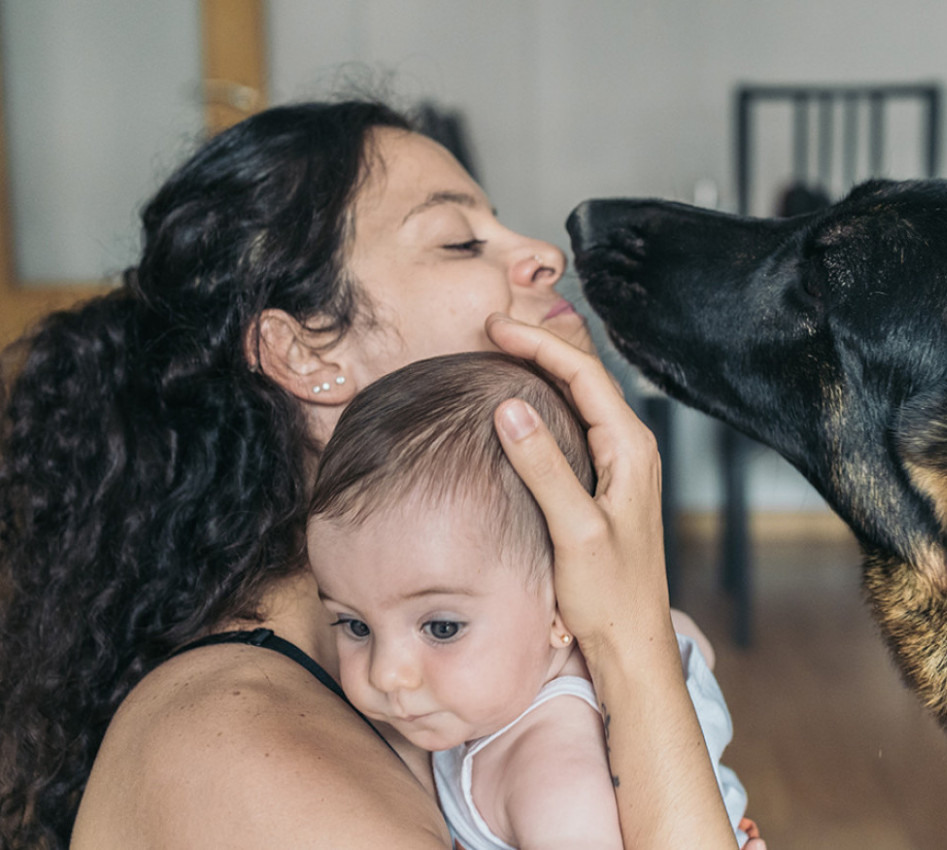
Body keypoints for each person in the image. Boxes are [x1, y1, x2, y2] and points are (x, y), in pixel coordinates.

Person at [0, 99, 759, 850]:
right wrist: (629, 638)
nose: (544, 254)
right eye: (460, 241)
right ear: (305, 355)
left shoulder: (445, 694)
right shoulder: (235, 750)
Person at [306, 352, 759, 850]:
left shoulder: (552, 782)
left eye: (441, 628)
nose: (385, 674)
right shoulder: (639, 644)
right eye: (355, 625)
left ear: (565, 606)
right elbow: (693, 644)